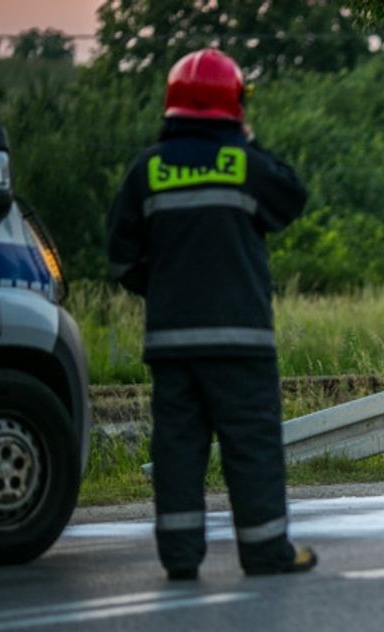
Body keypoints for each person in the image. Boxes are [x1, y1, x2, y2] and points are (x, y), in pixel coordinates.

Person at [107, 49, 315, 579]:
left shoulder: (147, 170)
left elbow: (123, 259)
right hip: (240, 343)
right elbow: (293, 196)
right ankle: (266, 551)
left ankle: (179, 558)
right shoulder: (244, 165)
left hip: (172, 344)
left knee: (178, 450)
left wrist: (169, 294)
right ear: (235, 106)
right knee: (252, 446)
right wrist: (247, 140)